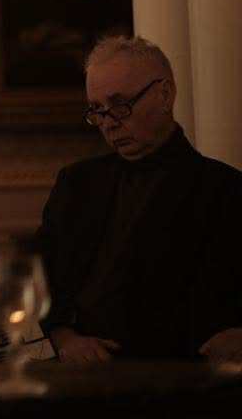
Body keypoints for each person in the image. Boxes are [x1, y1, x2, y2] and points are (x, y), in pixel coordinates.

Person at [35, 35, 242, 364]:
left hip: (184, 377)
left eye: (120, 105)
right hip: (84, 375)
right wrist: (63, 338)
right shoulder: (77, 184)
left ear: (165, 94)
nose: (109, 124)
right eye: (97, 110)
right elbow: (39, 277)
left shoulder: (225, 190)